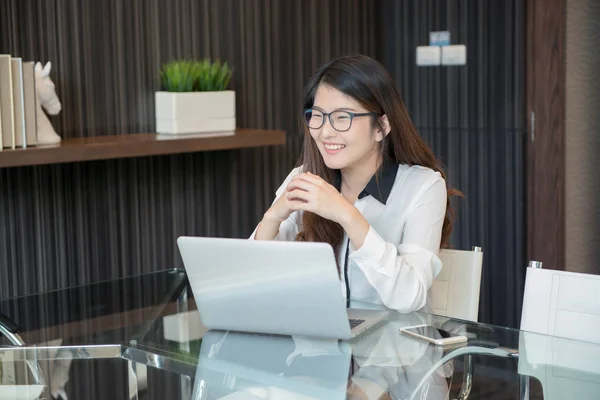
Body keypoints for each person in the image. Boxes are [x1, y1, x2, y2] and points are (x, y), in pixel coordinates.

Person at [252, 54, 459, 313]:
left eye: (342, 117)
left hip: (392, 350)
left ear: (381, 126)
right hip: (315, 345)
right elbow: (255, 284)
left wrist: (346, 214)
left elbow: (409, 297)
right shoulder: (304, 178)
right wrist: (272, 217)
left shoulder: (423, 186)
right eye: (317, 116)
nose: (325, 132)